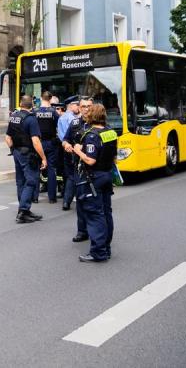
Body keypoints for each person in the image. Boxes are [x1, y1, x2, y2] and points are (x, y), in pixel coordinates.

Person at [71, 104, 118, 262]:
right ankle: (106, 248)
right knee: (106, 213)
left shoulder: (92, 135)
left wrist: (77, 150)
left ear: (92, 116)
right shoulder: (111, 132)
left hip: (93, 178)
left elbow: (90, 160)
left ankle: (98, 252)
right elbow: (114, 156)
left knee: (94, 215)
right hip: (106, 175)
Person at [5, 95, 48, 224]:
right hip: (28, 154)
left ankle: (23, 209)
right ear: (32, 105)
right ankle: (23, 211)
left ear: (21, 104)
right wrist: (43, 158)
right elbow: (36, 141)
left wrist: (14, 150)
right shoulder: (31, 119)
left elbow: (7, 138)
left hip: (17, 153)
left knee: (20, 181)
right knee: (31, 181)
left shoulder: (14, 117)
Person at [62, 97, 94, 242]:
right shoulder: (75, 123)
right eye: (83, 106)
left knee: (95, 202)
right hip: (79, 168)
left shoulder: (99, 123)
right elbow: (65, 139)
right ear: (78, 108)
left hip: (95, 168)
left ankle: (97, 230)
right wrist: (66, 145)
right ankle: (82, 231)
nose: (86, 109)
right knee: (81, 201)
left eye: (89, 106)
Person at [34, 91, 61, 203]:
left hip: (38, 143)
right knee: (51, 169)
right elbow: (58, 127)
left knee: (36, 169)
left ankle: (34, 197)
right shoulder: (54, 113)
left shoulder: (34, 111)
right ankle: (52, 198)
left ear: (41, 98)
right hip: (51, 143)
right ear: (50, 99)